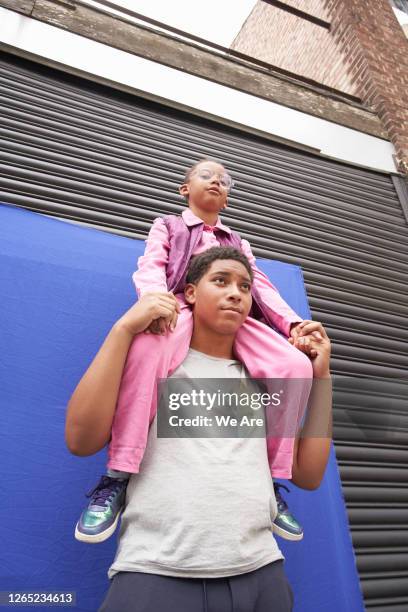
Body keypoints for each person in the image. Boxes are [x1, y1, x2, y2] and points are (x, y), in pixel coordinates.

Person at [65, 247, 332, 612]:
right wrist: (123, 328)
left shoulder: (262, 380)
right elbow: (81, 441)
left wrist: (321, 376)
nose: (235, 293)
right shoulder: (154, 363)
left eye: (244, 286)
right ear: (190, 292)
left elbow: (309, 475)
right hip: (156, 573)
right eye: (220, 281)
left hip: (263, 573)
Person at [69, 158, 321, 544]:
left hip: (237, 317)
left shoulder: (238, 242)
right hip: (178, 306)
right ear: (184, 189)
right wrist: (154, 302)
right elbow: (151, 264)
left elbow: (262, 288)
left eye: (225, 180)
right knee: (148, 350)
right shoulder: (167, 225)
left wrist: (291, 324)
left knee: (293, 365)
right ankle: (119, 473)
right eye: (207, 176)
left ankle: (272, 481)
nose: (217, 182)